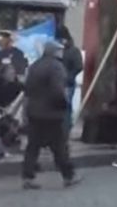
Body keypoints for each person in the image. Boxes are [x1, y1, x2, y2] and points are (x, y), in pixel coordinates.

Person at [21, 40, 80, 189]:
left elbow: (27, 89)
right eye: (59, 50)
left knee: (32, 146)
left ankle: (28, 177)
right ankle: (68, 175)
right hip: (51, 113)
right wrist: (64, 106)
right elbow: (58, 90)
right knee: (59, 146)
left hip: (34, 112)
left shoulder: (34, 66)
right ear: (55, 52)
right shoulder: (56, 67)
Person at [56, 26, 84, 131]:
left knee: (66, 107)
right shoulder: (69, 50)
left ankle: (65, 128)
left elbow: (79, 66)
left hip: (67, 83)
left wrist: (69, 76)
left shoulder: (72, 51)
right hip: (62, 83)